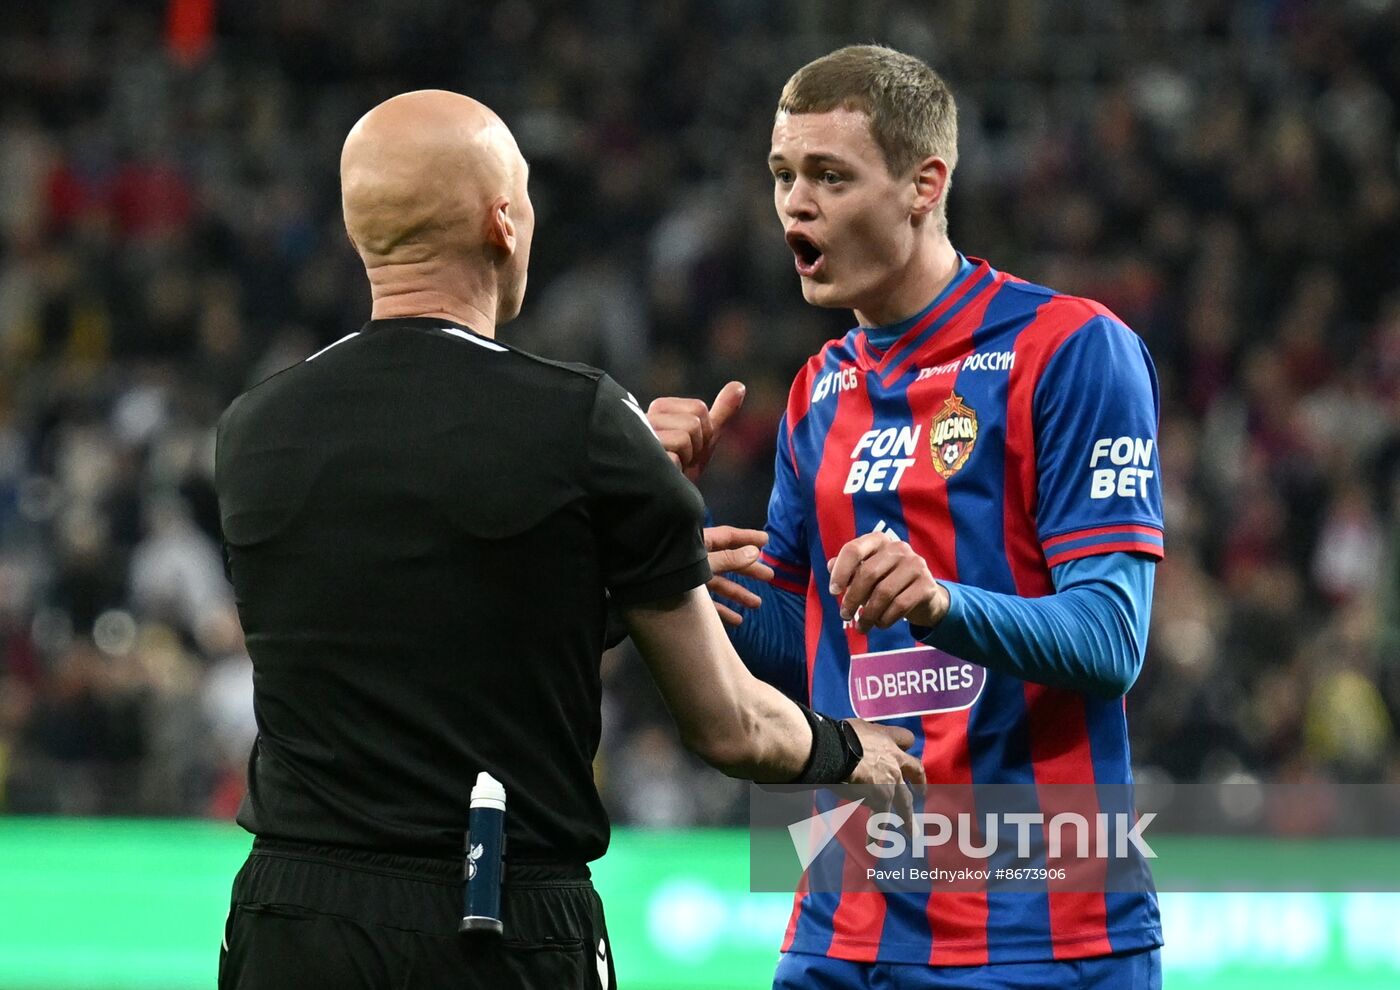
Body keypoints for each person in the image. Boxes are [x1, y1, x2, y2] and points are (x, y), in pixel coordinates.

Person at [213, 89, 922, 990]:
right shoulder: (582, 420)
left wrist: (595, 571)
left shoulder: (251, 429)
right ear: (503, 223)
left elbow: (405, 632)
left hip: (290, 921)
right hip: (495, 920)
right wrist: (851, 747)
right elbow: (732, 728)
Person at [648, 46, 1165, 989]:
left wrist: (939, 605)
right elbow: (795, 645)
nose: (794, 205)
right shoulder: (819, 390)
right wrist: (657, 538)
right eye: (783, 175)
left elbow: (1113, 636)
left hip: (1039, 930)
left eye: (829, 177)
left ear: (926, 184)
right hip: (841, 918)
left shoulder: (1072, 350)